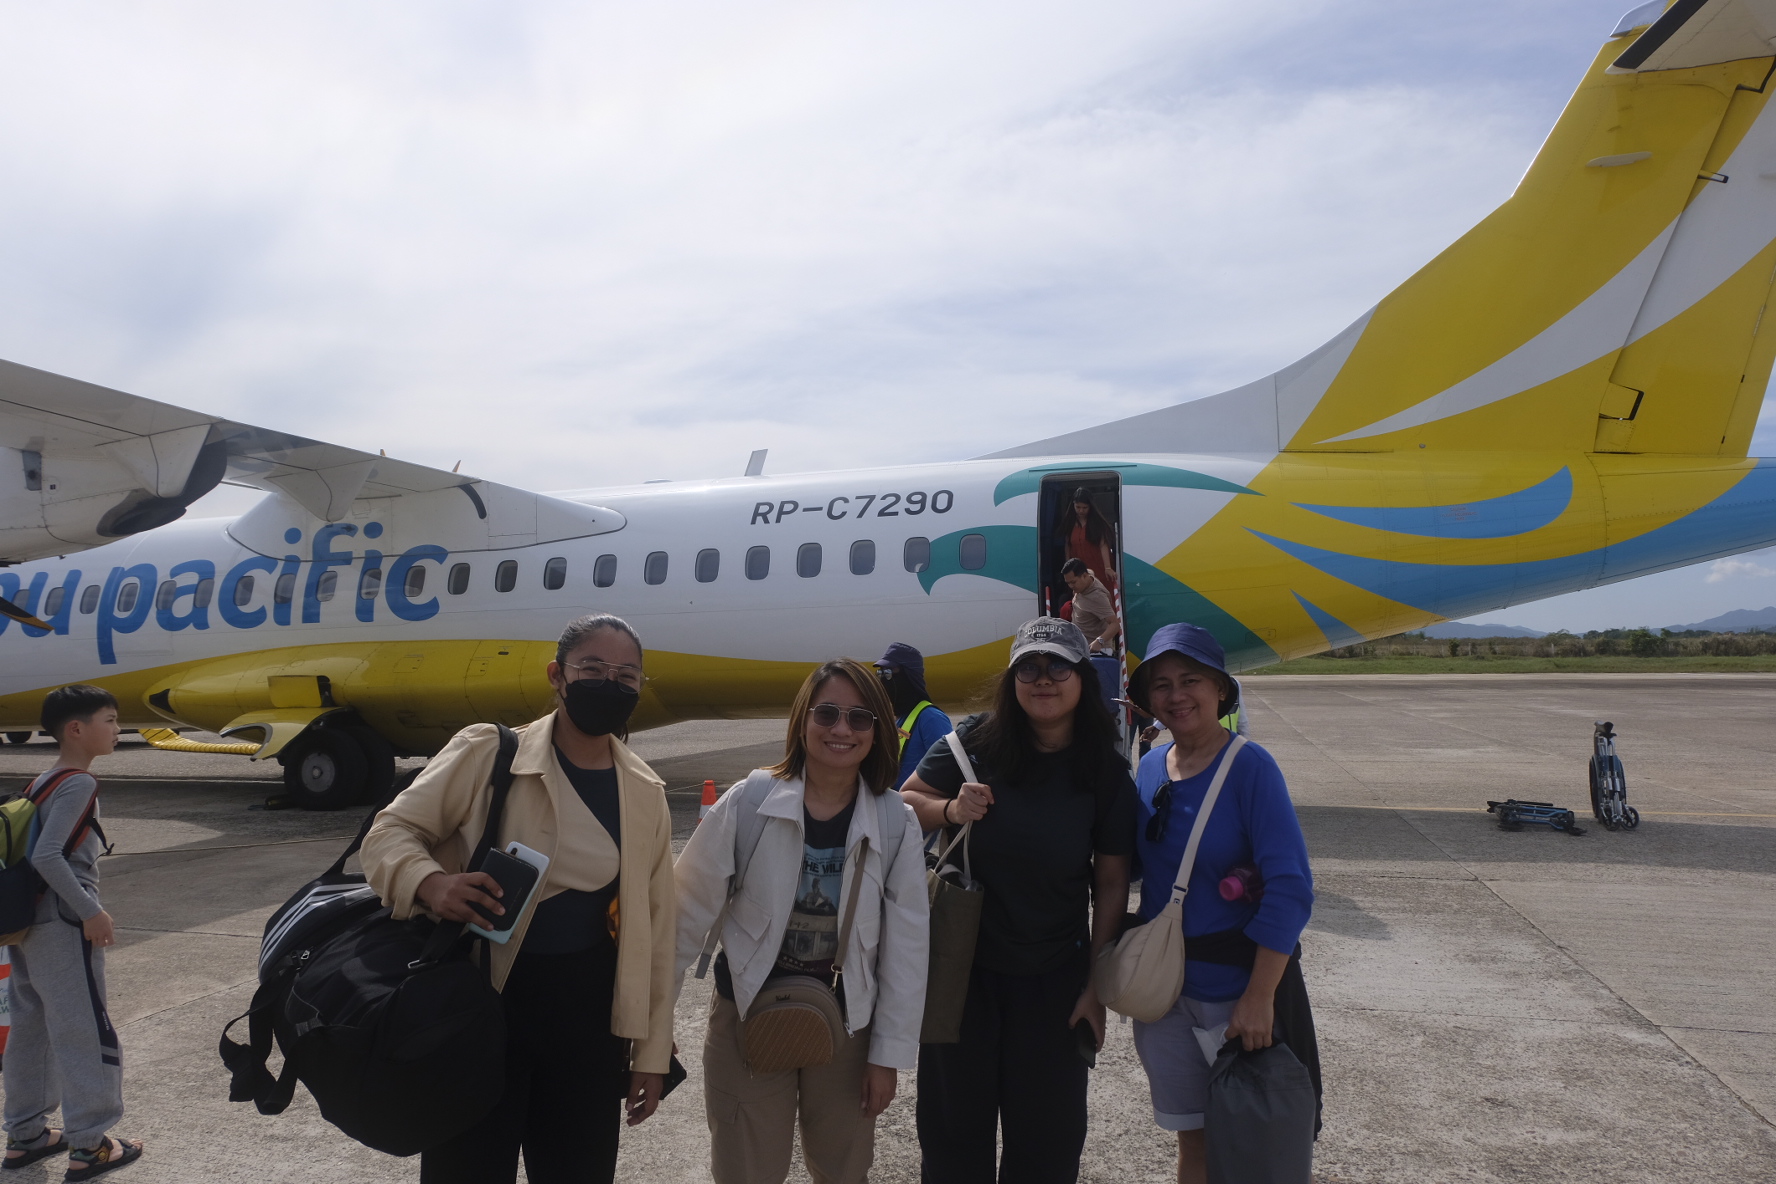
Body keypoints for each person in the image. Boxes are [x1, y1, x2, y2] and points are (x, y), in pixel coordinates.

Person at [361, 613, 677, 1184]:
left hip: (588, 1024)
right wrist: (432, 884)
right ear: (558, 675)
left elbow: (654, 933)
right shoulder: (489, 752)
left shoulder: (644, 790)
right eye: (593, 669)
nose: (610, 684)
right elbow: (390, 832)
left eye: (627, 676)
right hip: (480, 1009)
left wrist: (651, 1056)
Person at [674, 657, 928, 1184]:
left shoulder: (894, 820)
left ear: (877, 730)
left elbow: (907, 946)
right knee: (745, 1171)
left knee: (843, 1171)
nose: (842, 729)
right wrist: (652, 1027)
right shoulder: (750, 801)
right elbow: (684, 913)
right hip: (747, 1014)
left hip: (847, 1025)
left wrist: (887, 1056)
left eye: (860, 718)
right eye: (827, 713)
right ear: (803, 719)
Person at [900, 618, 1137, 1184]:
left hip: (1055, 982)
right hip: (962, 976)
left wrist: (1095, 987)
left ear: (1083, 679)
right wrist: (950, 810)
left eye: (1059, 666)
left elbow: (1110, 883)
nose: (1043, 678)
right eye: (1028, 667)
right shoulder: (973, 743)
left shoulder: (1103, 769)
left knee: (1047, 1145)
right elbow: (904, 803)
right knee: (953, 1141)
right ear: (1012, 679)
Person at [1124, 623, 1318, 1184]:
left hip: (1234, 997)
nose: (1176, 695)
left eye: (1191, 680)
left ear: (1220, 690)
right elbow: (1131, 865)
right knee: (1194, 1142)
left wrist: (1259, 998)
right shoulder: (1150, 767)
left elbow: (1290, 889)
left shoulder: (1250, 767)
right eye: (1161, 684)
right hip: (1165, 997)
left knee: (1253, 1149)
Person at [4, 685, 143, 1179]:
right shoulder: (79, 783)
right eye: (110, 719)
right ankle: (91, 1145)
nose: (118, 729)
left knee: (32, 1027)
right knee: (84, 1029)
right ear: (77, 729)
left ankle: (26, 1134)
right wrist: (91, 912)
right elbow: (48, 856)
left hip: (27, 923)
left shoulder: (41, 780)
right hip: (63, 925)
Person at [874, 642, 953, 787]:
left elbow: (948, 769)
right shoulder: (901, 719)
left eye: (889, 673)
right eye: (880, 673)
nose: (883, 680)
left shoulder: (931, 717)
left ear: (908, 676)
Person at [1055, 488, 1118, 594]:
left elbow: (1103, 544)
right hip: (1078, 570)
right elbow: (1068, 545)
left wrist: (1107, 567)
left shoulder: (1097, 523)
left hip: (1098, 567)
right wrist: (1068, 565)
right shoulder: (1069, 523)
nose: (1081, 511)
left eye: (1085, 508)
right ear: (1073, 505)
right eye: (1078, 507)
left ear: (1090, 507)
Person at [1060, 559, 1120, 655]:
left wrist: (1099, 641)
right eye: (1068, 583)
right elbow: (1089, 570)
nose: (1071, 586)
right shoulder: (1087, 577)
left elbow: (1115, 624)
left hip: (1095, 652)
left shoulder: (1097, 597)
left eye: (1073, 582)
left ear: (1084, 576)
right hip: (1078, 646)